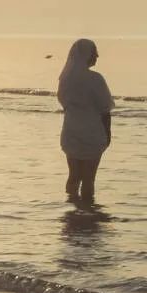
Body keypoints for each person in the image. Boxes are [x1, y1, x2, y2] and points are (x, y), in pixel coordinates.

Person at [57, 38, 114, 204]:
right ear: (86, 55)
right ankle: (87, 212)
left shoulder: (65, 79)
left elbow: (64, 103)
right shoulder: (95, 79)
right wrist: (108, 133)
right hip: (92, 132)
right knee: (89, 178)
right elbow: (105, 108)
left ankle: (72, 208)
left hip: (71, 131)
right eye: (94, 52)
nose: (96, 55)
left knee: (74, 175)